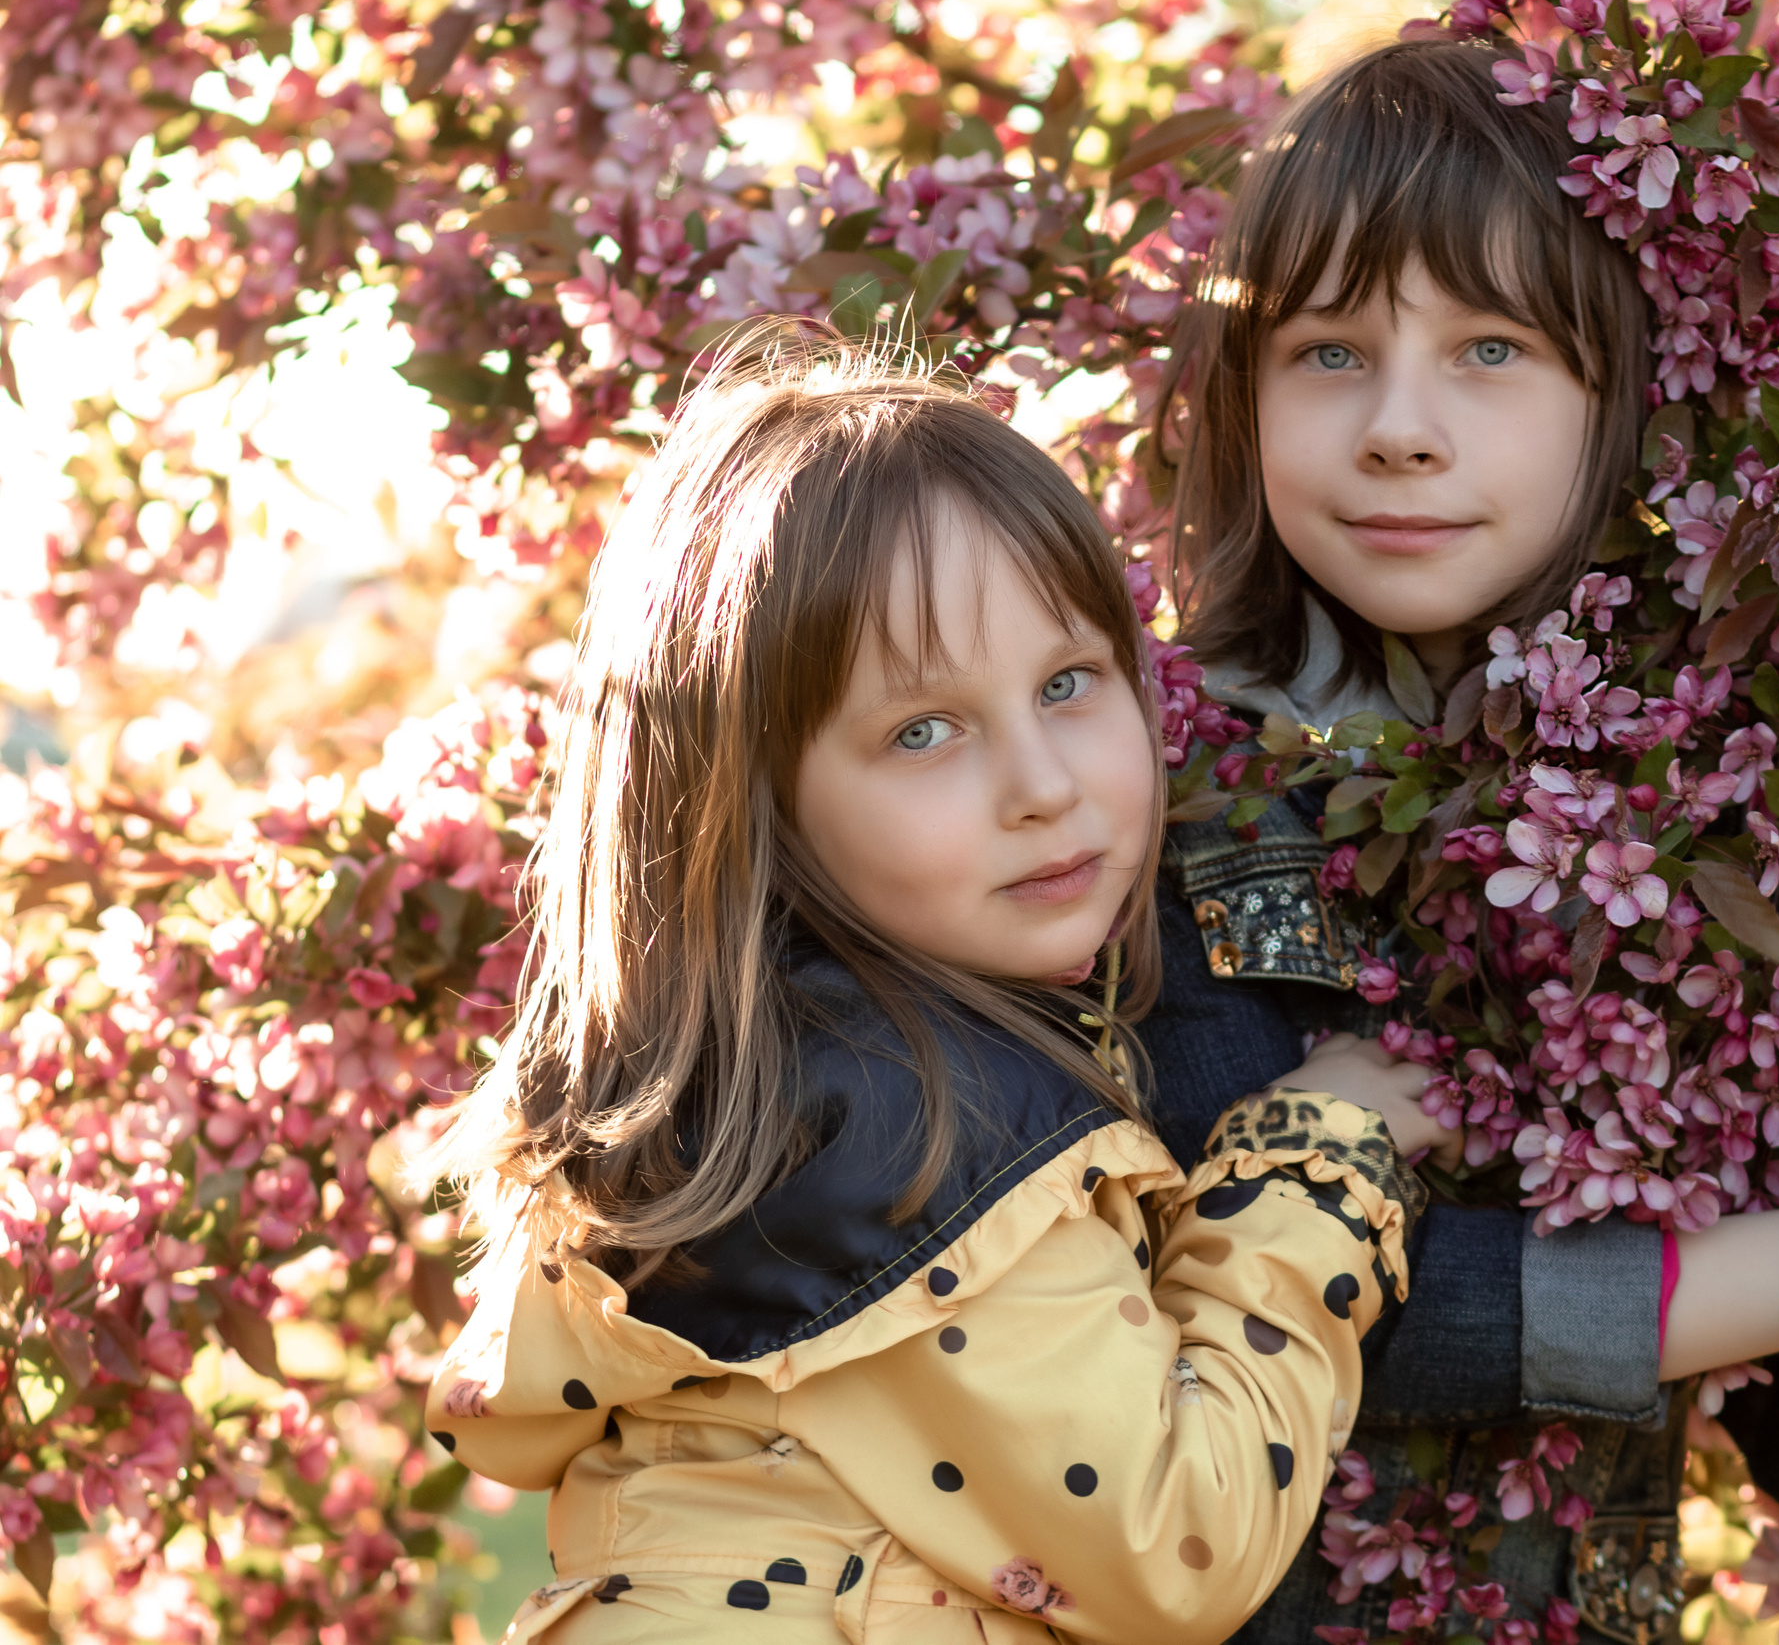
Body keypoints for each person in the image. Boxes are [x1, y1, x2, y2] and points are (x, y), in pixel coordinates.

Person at [1141, 39, 1779, 1643]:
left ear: (1628, 396)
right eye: (1330, 353)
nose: (1401, 431)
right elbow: (1284, 1294)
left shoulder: (1728, 785)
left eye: (1491, 349)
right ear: (1240, 393)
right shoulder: (1170, 786)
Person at [412, 325, 1442, 1643]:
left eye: (1069, 683)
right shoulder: (913, 1131)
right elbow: (1182, 1538)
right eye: (923, 730)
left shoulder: (748, 1103)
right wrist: (1319, 1157)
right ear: (755, 806)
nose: (1045, 785)